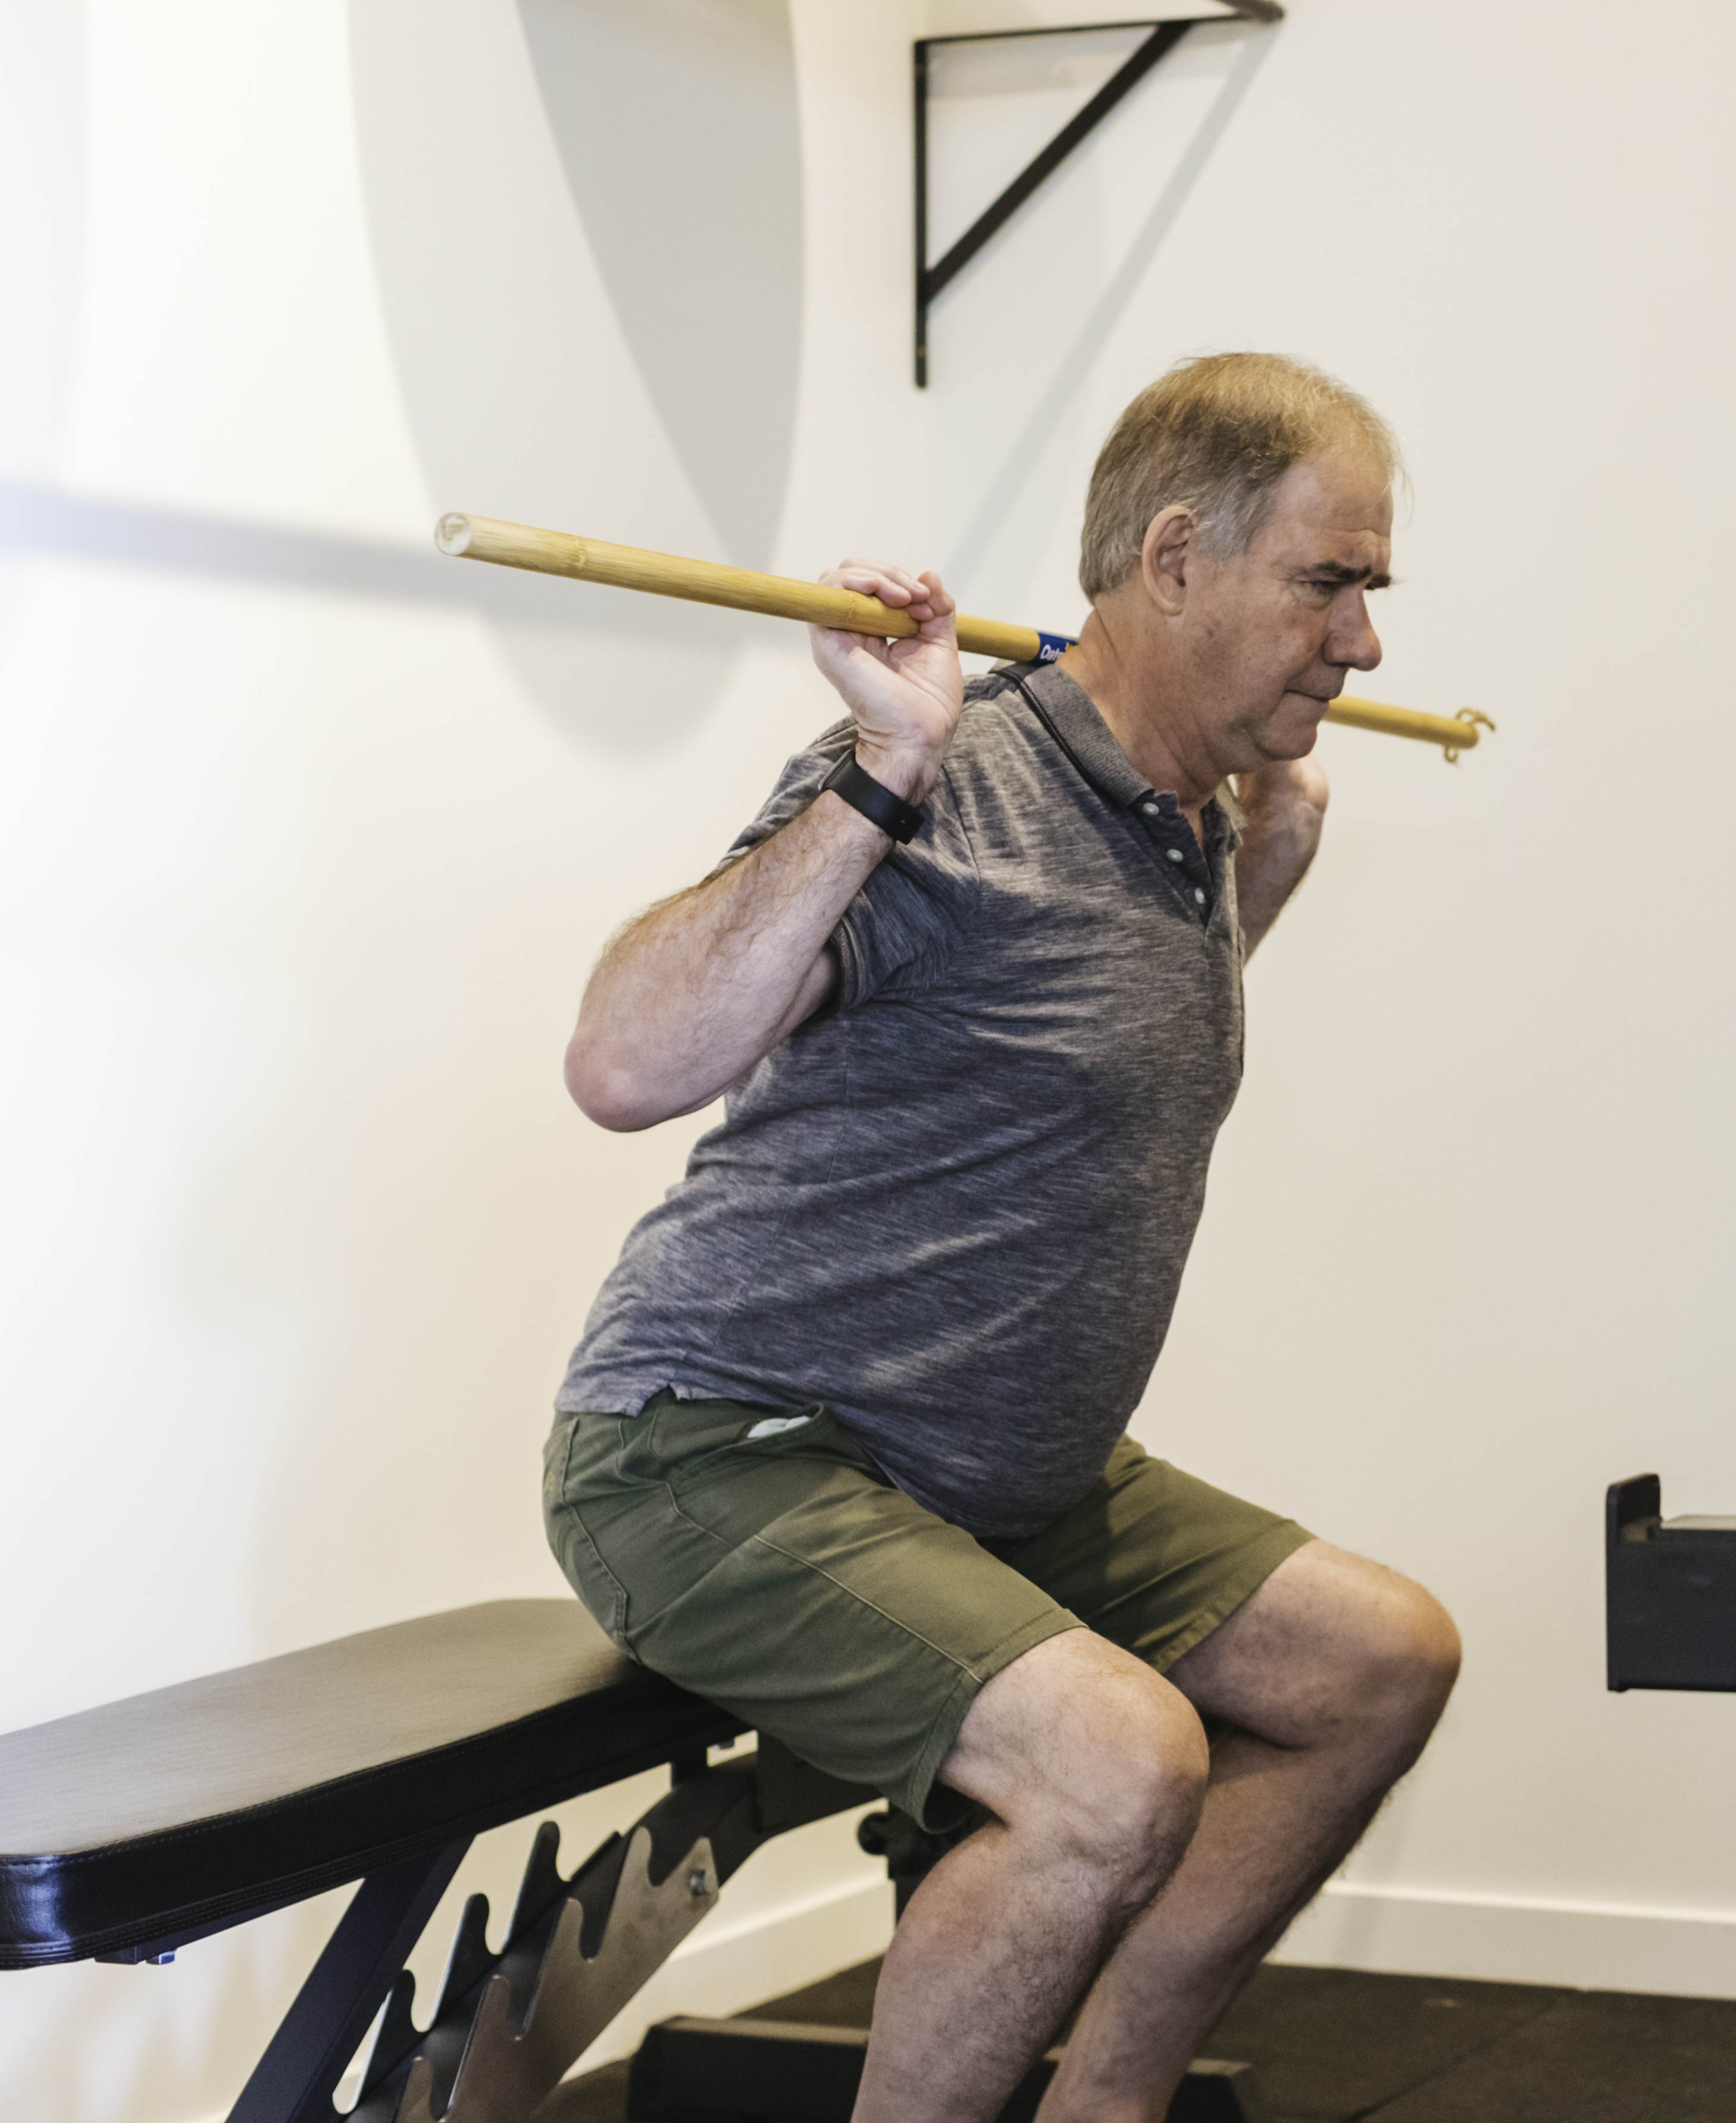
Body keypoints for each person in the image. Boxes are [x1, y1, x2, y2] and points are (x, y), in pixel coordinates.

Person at [540, 352, 1462, 2123]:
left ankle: (1099, 2104)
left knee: (1378, 1660)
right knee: (1123, 1769)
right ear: (1176, 558)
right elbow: (622, 1064)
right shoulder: (948, 778)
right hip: (718, 1459)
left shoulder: (1194, 813)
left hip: (990, 1481)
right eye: (1328, 584)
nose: (1361, 646)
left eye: (1369, 592)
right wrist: (884, 764)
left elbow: (1075, 1066)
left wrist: (1259, 873)